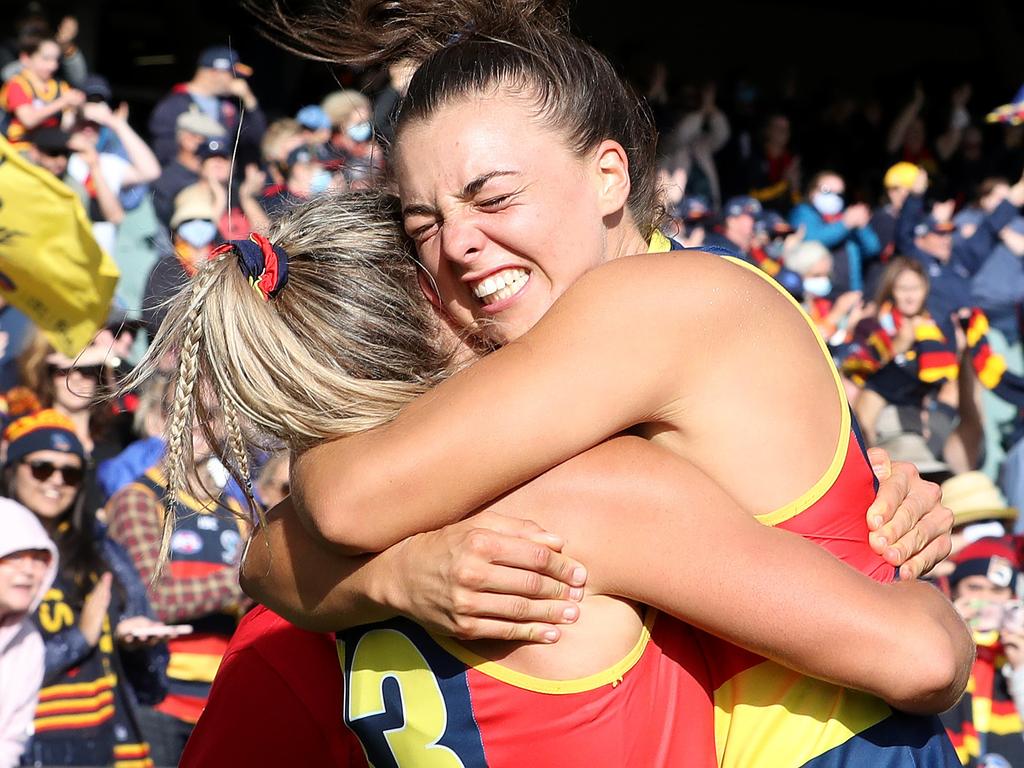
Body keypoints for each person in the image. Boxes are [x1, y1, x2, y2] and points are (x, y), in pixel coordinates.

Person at [246, 1, 968, 763]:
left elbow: (341, 503)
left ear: (608, 175)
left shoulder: (650, 305)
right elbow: (272, 555)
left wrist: (391, 564)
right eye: (423, 224)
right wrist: (400, 576)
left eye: (494, 197)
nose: (457, 242)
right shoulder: (642, 317)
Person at [135, 191, 967, 766]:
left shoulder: (301, 597)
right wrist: (898, 575)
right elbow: (920, 655)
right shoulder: (594, 496)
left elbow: (271, 551)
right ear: (438, 315)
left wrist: (387, 573)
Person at [2, 409, 166, 768]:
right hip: (28, 745)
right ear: (14, 470)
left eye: (71, 472)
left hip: (109, 741)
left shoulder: (104, 551)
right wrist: (81, 636)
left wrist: (137, 644)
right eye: (42, 467)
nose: (56, 481)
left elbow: (153, 682)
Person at [106, 434, 248, 766]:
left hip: (221, 700)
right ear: (161, 421)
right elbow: (155, 600)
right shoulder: (139, 499)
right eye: (189, 411)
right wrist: (243, 581)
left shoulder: (237, 511)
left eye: (211, 416)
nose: (200, 428)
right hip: (160, 699)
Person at [941, 537, 1024, 767]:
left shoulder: (1015, 652)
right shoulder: (937, 643)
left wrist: (1019, 669)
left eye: (997, 591)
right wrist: (951, 634)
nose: (986, 600)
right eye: (975, 588)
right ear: (955, 592)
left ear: (1012, 599)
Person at [0, 499, 56, 768]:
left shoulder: (29, 643)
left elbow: (9, 743)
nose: (28, 571)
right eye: (14, 556)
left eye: (39, 559)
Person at [147, 45, 266, 168]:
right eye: (232, 74)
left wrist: (249, 99)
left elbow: (257, 139)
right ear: (215, 72)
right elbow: (163, 153)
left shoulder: (227, 107)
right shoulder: (173, 104)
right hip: (184, 183)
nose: (237, 81)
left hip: (220, 183)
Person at [790, 169, 881, 295]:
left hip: (849, 292)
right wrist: (845, 224)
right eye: (827, 190)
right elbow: (810, 239)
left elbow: (873, 248)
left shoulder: (845, 217)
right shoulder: (804, 212)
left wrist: (862, 227)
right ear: (812, 192)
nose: (833, 197)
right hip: (817, 292)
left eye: (839, 194)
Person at [0, 30, 83, 148]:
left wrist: (78, 106)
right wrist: (63, 102)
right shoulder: (17, 84)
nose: (53, 66)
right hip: (19, 150)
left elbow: (70, 121)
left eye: (56, 59)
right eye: (46, 59)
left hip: (51, 147)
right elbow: (28, 120)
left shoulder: (59, 86)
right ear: (26, 58)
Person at [150, 111, 227, 229]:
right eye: (206, 140)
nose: (214, 146)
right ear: (187, 140)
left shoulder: (216, 176)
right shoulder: (166, 181)